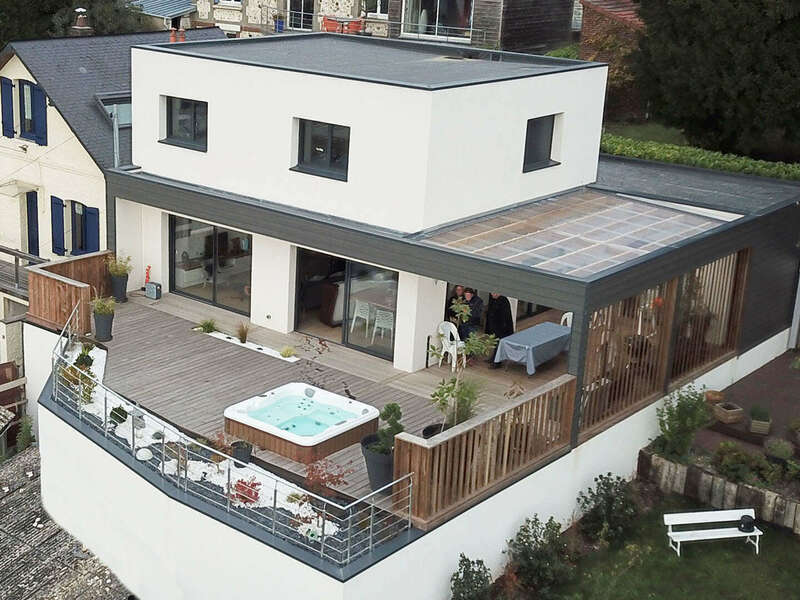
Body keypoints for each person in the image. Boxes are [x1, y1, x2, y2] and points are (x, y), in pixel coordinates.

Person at [485, 293, 514, 368]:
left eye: (494, 293)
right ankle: (493, 358)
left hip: (502, 329)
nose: (492, 294)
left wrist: (502, 328)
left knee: (499, 345)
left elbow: (505, 317)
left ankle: (497, 362)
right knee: (495, 344)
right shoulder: (493, 300)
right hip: (494, 327)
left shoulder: (503, 301)